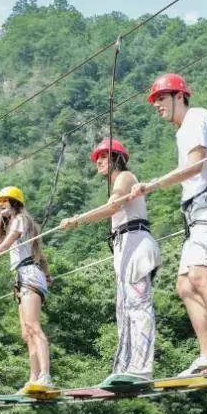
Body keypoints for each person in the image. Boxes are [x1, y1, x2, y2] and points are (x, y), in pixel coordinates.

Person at [129, 73, 207, 377]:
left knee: (200, 276)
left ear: (179, 96)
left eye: (162, 98)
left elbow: (195, 165)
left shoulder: (196, 118)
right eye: (155, 100)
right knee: (185, 285)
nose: (157, 105)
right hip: (199, 209)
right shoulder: (183, 130)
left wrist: (154, 184)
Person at [61, 139, 160, 383]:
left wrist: (79, 219)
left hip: (135, 243)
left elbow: (113, 206)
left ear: (117, 158)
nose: (99, 162)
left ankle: (141, 367)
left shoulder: (125, 177)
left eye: (104, 157)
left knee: (137, 307)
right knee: (124, 311)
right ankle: (127, 365)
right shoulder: (118, 182)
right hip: (124, 246)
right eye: (97, 159)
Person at [0, 186, 54, 392]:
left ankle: (45, 376)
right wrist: (47, 274)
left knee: (33, 327)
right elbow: (40, 255)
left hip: (28, 274)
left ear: (15, 202)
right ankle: (34, 377)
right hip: (25, 275)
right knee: (26, 332)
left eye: (5, 201)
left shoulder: (20, 219)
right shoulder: (23, 226)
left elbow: (7, 245)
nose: (1, 204)